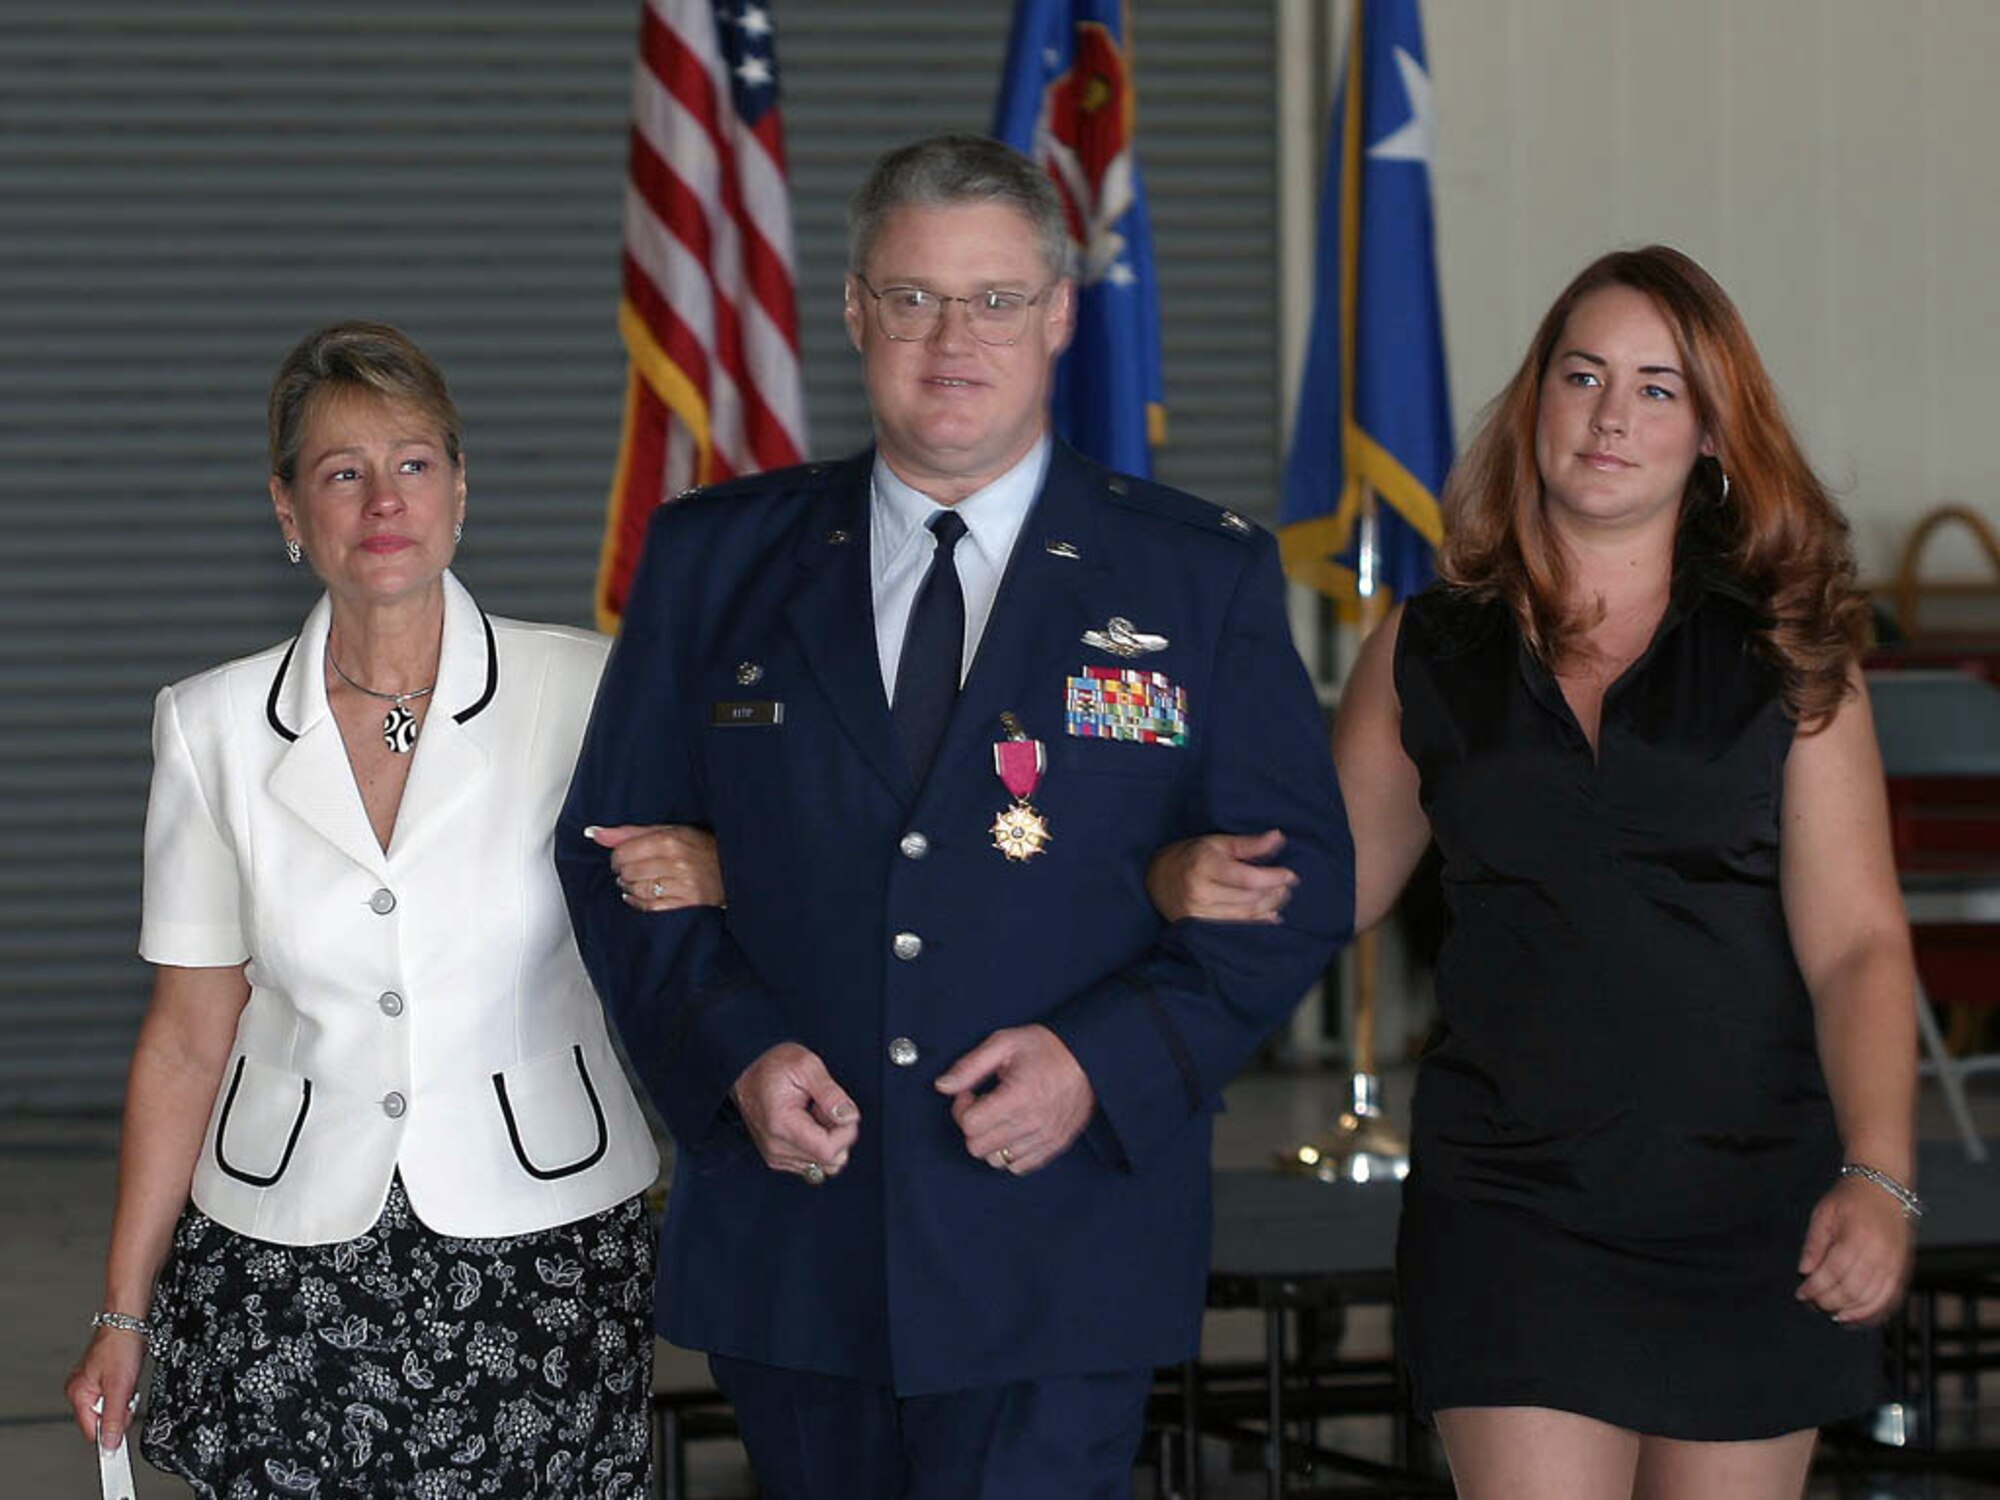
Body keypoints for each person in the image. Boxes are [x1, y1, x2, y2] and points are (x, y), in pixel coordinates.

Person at [557, 133, 1352, 1498]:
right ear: (857, 312)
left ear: (1057, 314)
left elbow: (1298, 882)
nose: (951, 339)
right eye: (914, 297)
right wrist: (735, 1056)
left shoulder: (1191, 575)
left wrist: (1101, 1062)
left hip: (1061, 1234)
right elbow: (614, 854)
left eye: (993, 299)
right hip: (798, 1225)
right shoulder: (714, 561)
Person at [1151, 246, 1921, 1497]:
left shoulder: (1790, 651)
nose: (1612, 415)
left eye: (1658, 388)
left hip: (1750, 1205)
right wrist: (1168, 873)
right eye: (1582, 375)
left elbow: (1856, 946)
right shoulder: (1427, 645)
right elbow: (1316, 893)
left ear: (1712, 437)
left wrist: (1878, 1173)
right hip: (1510, 1201)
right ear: (1534, 406)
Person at [63, 321, 717, 1496]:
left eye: (413, 464)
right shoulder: (208, 726)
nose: (383, 502)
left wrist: (715, 867)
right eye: (341, 473)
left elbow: (732, 885)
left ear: (460, 491)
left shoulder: (585, 690)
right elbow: (184, 1036)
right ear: (287, 511)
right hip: (280, 1254)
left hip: (543, 1243)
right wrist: (125, 1309)